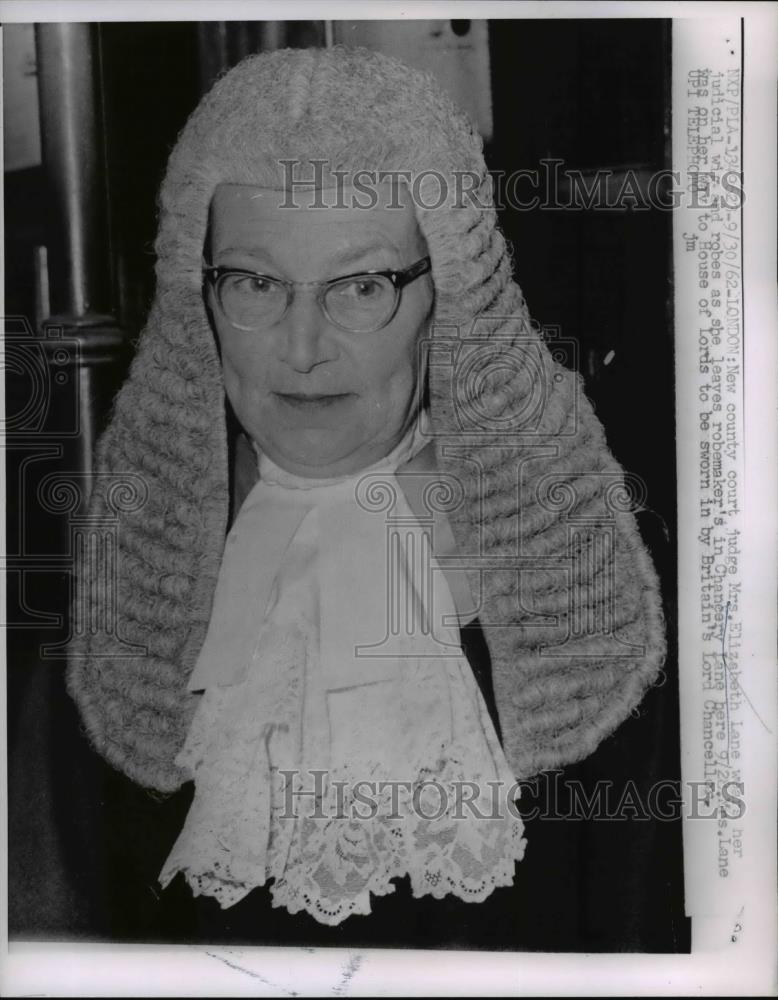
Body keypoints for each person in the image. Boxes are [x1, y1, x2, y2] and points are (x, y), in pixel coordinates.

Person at [66, 45, 675, 949]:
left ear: (453, 295)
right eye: (255, 283)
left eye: (361, 286)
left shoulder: (578, 587)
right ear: (195, 298)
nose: (302, 347)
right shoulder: (127, 598)